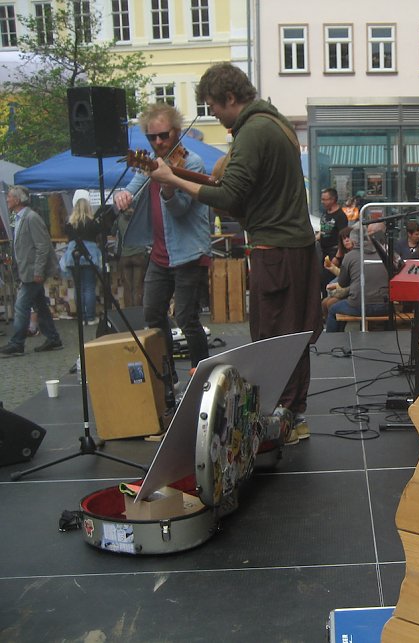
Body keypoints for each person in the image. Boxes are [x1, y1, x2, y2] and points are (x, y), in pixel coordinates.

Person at [148, 62, 321, 444]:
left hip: (276, 250)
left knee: (272, 336)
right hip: (293, 246)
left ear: (230, 98)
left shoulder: (254, 131)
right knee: (290, 334)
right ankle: (294, 416)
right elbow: (248, 194)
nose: (213, 115)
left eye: (213, 106)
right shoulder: (274, 123)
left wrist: (172, 178)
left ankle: (285, 419)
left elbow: (228, 197)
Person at [113, 103, 212, 373]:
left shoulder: (192, 162)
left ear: (177, 132)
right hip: (159, 253)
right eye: (151, 137)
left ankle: (200, 373)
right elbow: (131, 188)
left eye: (163, 136)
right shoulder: (149, 164)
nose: (158, 142)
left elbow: (180, 210)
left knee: (186, 317)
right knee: (153, 314)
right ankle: (166, 377)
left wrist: (168, 187)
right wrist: (122, 196)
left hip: (189, 251)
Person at [1, 186, 64, 356]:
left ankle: (17, 343)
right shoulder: (20, 217)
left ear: (18, 200)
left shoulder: (31, 218)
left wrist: (38, 271)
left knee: (21, 306)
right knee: (40, 306)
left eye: (9, 196)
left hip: (32, 273)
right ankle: (53, 338)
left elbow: (43, 246)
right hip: (27, 271)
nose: (7, 199)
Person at [326, 226, 389, 332]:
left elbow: (342, 283)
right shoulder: (383, 253)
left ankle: (334, 342)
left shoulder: (349, 256)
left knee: (333, 309)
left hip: (359, 305)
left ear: (353, 242)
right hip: (385, 305)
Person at [62, 190, 102, 325]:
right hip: (90, 254)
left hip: (74, 255)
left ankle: (81, 317)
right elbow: (100, 234)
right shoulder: (93, 222)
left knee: (78, 287)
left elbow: (66, 235)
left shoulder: (69, 223)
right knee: (89, 287)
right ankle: (90, 317)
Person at [116, 205, 148, 308]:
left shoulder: (119, 218)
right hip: (139, 254)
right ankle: (138, 312)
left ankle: (129, 312)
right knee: (138, 286)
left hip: (125, 255)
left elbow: (113, 232)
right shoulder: (140, 218)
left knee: (127, 288)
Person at [317, 187, 348, 296]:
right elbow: (323, 230)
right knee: (321, 280)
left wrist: (338, 257)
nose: (323, 202)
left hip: (334, 252)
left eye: (325, 199)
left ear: (333, 199)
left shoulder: (340, 216)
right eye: (322, 199)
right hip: (324, 251)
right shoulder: (325, 213)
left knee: (328, 280)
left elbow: (343, 238)